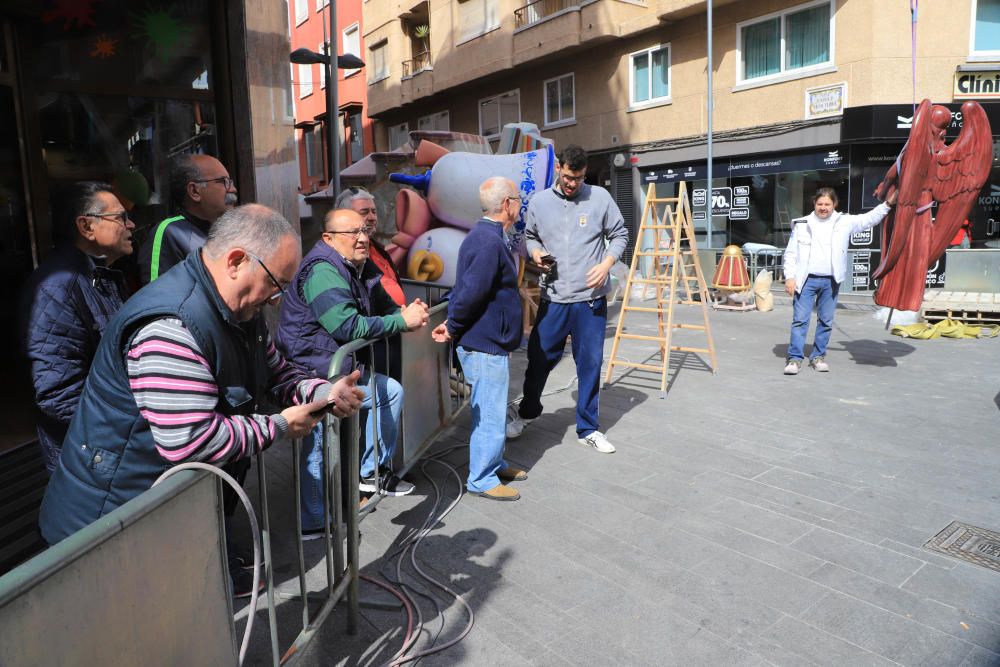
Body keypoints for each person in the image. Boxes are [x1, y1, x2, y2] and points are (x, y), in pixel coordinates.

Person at [38, 204, 364, 551]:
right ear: (237, 261)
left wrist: (323, 391)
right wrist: (279, 426)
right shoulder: (172, 326)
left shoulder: (239, 307)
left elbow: (275, 369)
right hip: (107, 525)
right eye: (275, 283)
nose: (275, 300)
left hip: (157, 513)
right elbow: (190, 441)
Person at [277, 208, 428, 535]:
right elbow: (346, 326)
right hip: (308, 370)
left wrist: (402, 312)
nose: (361, 238)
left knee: (389, 392)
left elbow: (382, 301)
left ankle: (371, 474)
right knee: (318, 440)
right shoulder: (323, 269)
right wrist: (401, 322)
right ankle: (314, 522)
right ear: (328, 239)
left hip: (336, 366)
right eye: (351, 233)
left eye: (364, 230)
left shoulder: (359, 263)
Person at [506, 144, 628, 454]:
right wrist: (535, 252)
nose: (574, 184)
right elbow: (530, 235)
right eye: (570, 177)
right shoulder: (540, 202)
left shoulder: (599, 197)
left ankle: (588, 428)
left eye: (580, 178)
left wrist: (607, 264)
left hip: (590, 301)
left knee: (589, 364)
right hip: (554, 298)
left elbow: (620, 234)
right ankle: (528, 412)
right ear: (559, 168)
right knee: (539, 361)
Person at [20, 181, 135, 473]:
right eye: (120, 217)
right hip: (94, 456)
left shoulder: (99, 275)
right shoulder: (58, 286)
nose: (131, 224)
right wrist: (131, 427)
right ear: (86, 227)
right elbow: (57, 393)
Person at [432, 177, 528, 501]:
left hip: (489, 340)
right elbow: (471, 292)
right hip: (485, 343)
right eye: (518, 198)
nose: (520, 204)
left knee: (494, 408)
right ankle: (482, 479)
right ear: (507, 205)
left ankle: (494, 463)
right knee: (489, 411)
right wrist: (454, 325)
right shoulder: (488, 241)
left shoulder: (486, 237)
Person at [783, 187, 896, 375]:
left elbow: (869, 219)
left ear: (834, 204)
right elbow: (790, 253)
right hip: (805, 281)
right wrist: (789, 277)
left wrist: (888, 204)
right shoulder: (802, 224)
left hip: (831, 281)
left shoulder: (845, 222)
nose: (823, 207)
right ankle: (794, 359)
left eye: (827, 204)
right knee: (800, 321)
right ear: (814, 204)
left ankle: (818, 357)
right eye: (820, 204)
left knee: (826, 321)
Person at [138, 153, 237, 283]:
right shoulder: (169, 232)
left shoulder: (228, 231)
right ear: (194, 191)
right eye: (223, 182)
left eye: (230, 182)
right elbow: (158, 297)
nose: (233, 189)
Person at [335, 186, 405, 306]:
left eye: (374, 211)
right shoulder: (341, 256)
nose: (372, 218)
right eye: (364, 212)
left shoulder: (378, 249)